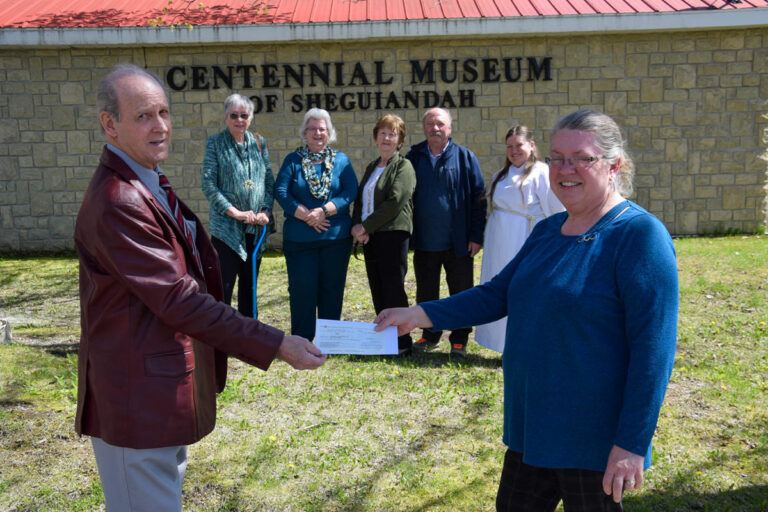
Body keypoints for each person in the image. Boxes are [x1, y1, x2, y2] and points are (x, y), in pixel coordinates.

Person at [375, 109, 678, 511]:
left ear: (613, 166)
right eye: (556, 158)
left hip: (592, 441)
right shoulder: (548, 232)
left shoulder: (640, 236)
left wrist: (632, 443)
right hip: (531, 430)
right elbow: (498, 293)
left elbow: (653, 352)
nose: (564, 170)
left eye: (580, 159)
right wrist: (419, 315)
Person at [74, 64, 326, 512]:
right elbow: (180, 300)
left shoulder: (146, 182)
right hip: (137, 405)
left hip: (156, 396)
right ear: (109, 125)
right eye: (143, 117)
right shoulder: (121, 201)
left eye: (164, 113)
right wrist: (277, 343)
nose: (161, 126)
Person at [405, 107, 486, 357]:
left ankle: (459, 338)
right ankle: (430, 335)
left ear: (449, 128)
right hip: (425, 241)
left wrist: (476, 235)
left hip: (458, 242)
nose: (435, 128)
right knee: (426, 293)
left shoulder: (464, 157)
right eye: (430, 124)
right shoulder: (414, 156)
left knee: (461, 292)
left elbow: (479, 199)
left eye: (440, 124)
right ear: (424, 128)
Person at [475, 126, 564, 353]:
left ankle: (524, 345)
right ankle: (500, 343)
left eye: (519, 145)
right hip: (499, 243)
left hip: (524, 240)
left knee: (523, 289)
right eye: (510, 146)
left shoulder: (542, 172)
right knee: (500, 288)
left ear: (531, 146)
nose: (514, 151)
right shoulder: (500, 176)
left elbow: (555, 210)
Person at [274, 108, 358, 341]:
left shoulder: (341, 160)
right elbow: (280, 191)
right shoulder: (293, 160)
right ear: (304, 133)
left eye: (322, 129)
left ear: (329, 132)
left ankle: (329, 340)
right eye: (312, 129)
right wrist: (305, 215)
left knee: (332, 289)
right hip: (300, 240)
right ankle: (302, 339)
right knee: (302, 288)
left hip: (335, 240)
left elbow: (351, 191)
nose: (317, 133)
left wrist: (323, 211)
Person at [201, 94, 273, 318]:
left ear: (250, 118)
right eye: (234, 115)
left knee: (249, 290)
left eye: (244, 115)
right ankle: (220, 342)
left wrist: (266, 210)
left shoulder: (259, 143)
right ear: (226, 117)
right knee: (223, 289)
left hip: (255, 229)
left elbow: (269, 181)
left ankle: (248, 343)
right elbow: (208, 184)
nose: (239, 120)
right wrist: (234, 212)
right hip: (226, 231)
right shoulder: (215, 143)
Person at [351, 114, 416, 355]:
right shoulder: (371, 166)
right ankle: (385, 341)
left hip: (393, 234)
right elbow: (360, 200)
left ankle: (403, 343)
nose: (387, 138)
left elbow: (395, 201)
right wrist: (357, 227)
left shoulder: (404, 166)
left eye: (392, 134)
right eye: (383, 133)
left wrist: (366, 226)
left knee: (393, 287)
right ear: (376, 137)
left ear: (400, 141)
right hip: (371, 237)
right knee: (377, 287)